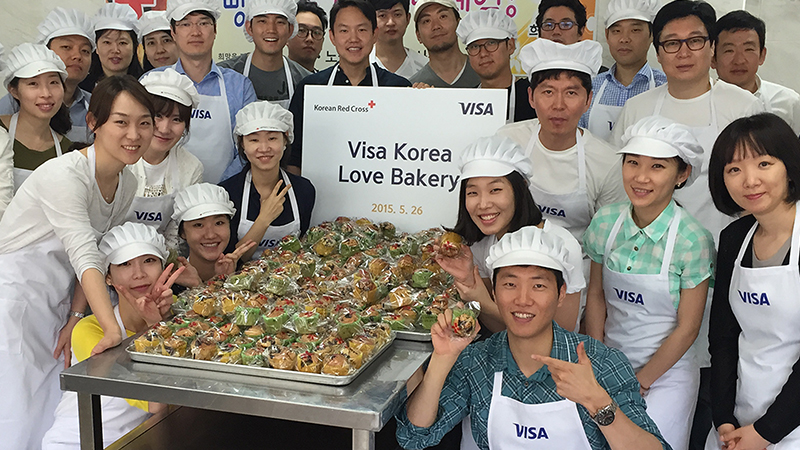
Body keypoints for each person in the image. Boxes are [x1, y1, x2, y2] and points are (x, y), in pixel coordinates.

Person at [395, 226, 670, 450]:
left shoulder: (602, 363)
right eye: (510, 284)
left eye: (538, 285)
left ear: (561, 294)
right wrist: (442, 359)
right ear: (494, 293)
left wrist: (598, 402)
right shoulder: (477, 361)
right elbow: (414, 437)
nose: (523, 299)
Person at [0, 75, 155, 449]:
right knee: (16, 404)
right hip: (15, 298)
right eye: (121, 122)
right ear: (93, 122)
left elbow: (97, 256)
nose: (134, 134)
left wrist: (75, 316)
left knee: (48, 400)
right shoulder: (63, 175)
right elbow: (83, 252)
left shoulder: (127, 182)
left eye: (144, 123)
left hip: (57, 296)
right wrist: (110, 329)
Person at [584, 116, 715, 450]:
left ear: (682, 174)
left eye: (657, 166)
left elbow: (688, 327)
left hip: (667, 375)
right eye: (632, 163)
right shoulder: (606, 222)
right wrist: (598, 364)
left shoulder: (692, 239)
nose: (640, 177)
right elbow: (596, 296)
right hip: (609, 364)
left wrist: (640, 381)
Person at [611, 0, 763, 244]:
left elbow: (757, 181)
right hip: (648, 245)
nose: (684, 53)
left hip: (722, 239)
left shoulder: (742, 106)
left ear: (712, 47)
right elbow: (617, 181)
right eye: (672, 43)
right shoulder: (637, 108)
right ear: (658, 53)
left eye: (695, 41)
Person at [704, 113, 800, 450]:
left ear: (790, 167)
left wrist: (765, 433)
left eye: (764, 164)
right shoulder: (735, 237)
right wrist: (723, 418)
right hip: (739, 416)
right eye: (734, 169)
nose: (750, 180)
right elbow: (723, 336)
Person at [41, 222, 183, 450]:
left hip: (137, 440)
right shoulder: (90, 331)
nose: (139, 274)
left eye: (149, 260)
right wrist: (155, 326)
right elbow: (156, 402)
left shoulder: (177, 311)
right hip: (77, 442)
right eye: (125, 264)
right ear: (107, 277)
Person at [439, 135, 585, 334]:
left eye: (495, 190)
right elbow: (500, 330)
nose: (483, 204)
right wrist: (469, 283)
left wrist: (481, 300)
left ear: (521, 188)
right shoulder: (481, 245)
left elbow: (561, 333)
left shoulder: (562, 245)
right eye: (473, 193)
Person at [497, 38, 627, 244]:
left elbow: (608, 239)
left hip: (579, 260)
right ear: (531, 97)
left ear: (588, 100)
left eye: (571, 93)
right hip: (513, 254)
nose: (558, 105)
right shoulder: (507, 141)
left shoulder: (608, 162)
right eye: (548, 92)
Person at [287, 0, 411, 175]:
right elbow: (293, 158)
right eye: (344, 30)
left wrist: (424, 99)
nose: (353, 39)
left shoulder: (399, 89)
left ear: (374, 34)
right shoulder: (310, 88)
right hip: (319, 191)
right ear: (332, 37)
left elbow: (410, 151)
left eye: (361, 30)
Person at [155, 0, 257, 184]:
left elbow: (249, 146)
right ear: (173, 32)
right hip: (165, 191)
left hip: (225, 193)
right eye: (185, 24)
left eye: (203, 23)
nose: (195, 32)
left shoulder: (239, 86)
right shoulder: (153, 82)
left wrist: (222, 190)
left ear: (215, 29)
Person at [220, 101, 315, 261]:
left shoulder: (304, 190)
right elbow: (232, 260)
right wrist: (264, 219)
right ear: (242, 144)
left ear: (285, 140)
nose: (264, 148)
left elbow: (301, 250)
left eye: (272, 138)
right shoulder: (227, 193)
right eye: (254, 140)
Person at [127, 68, 204, 251]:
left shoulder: (191, 168)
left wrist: (165, 261)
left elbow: (176, 232)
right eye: (158, 116)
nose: (164, 128)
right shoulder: (120, 158)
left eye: (176, 119)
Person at [0, 8, 95, 143]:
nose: (77, 56)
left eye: (85, 51)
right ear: (45, 51)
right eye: (66, 47)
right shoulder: (12, 103)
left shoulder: (94, 104)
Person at [579, 0, 667, 142]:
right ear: (607, 35)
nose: (624, 39)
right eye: (616, 31)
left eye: (635, 30)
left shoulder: (665, 87)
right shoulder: (591, 87)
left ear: (652, 35)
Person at [0, 43, 73, 209]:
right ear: (14, 90)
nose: (46, 93)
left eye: (53, 82)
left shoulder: (67, 151)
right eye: (33, 84)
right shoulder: (1, 131)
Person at [713, 10, 800, 135]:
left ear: (762, 55)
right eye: (729, 50)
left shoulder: (789, 103)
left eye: (748, 49)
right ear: (712, 58)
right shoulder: (699, 104)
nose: (739, 60)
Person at [219, 0, 311, 108]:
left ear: (290, 30)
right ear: (249, 28)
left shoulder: (305, 81)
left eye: (280, 22)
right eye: (262, 21)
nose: (271, 30)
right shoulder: (224, 76)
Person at [456, 9, 536, 123]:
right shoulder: (465, 102)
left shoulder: (534, 95)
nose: (483, 53)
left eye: (491, 43)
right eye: (474, 47)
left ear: (510, 46)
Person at [171, 183, 256, 287]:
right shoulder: (171, 285)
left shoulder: (250, 278)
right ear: (182, 233)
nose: (210, 235)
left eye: (219, 223)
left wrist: (225, 281)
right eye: (198, 225)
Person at [408, 0, 480, 88]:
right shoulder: (413, 88)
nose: (436, 26)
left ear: (458, 23)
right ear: (418, 35)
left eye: (443, 17)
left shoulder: (485, 73)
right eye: (426, 21)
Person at [79, 3, 144, 93]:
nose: (115, 50)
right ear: (96, 47)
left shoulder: (147, 86)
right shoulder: (81, 89)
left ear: (134, 47)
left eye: (122, 43)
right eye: (107, 42)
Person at [368, 0, 428, 79]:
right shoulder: (361, 66)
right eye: (382, 15)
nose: (391, 22)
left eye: (397, 14)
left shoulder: (424, 66)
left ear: (408, 19)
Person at [286, 0, 328, 73]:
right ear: (287, 36)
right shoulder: (274, 77)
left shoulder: (326, 79)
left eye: (316, 32)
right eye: (302, 30)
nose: (309, 39)